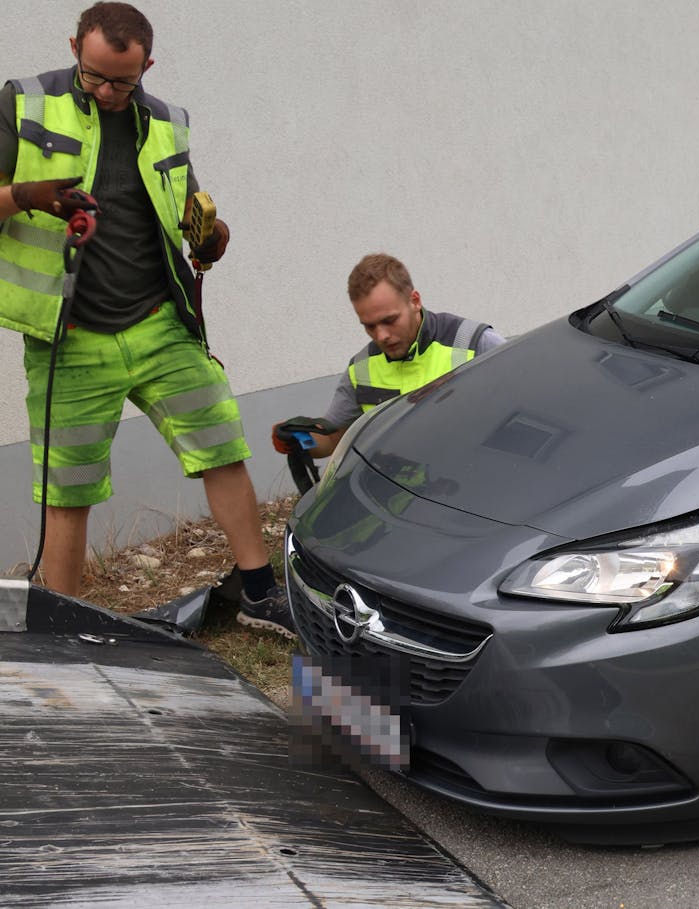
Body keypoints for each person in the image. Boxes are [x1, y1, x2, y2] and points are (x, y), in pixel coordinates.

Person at [1, 3, 294, 639]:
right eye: (94, 76)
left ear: (147, 67)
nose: (106, 92)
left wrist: (210, 237)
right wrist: (28, 195)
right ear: (75, 46)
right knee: (68, 490)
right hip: (70, 336)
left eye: (122, 82)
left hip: (160, 323)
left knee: (222, 445)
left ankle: (259, 593)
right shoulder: (23, 103)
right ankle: (67, 631)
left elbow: (193, 215)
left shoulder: (166, 121)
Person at [272, 253, 503, 459]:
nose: (381, 336)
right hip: (398, 497)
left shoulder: (474, 343)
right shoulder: (361, 368)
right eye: (369, 326)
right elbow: (333, 441)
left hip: (471, 488)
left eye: (389, 321)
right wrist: (299, 438)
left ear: (414, 301)